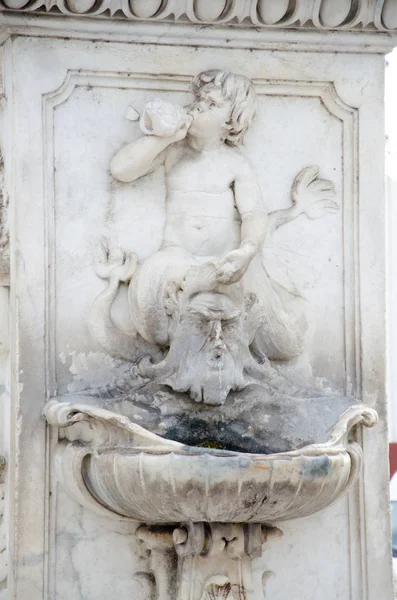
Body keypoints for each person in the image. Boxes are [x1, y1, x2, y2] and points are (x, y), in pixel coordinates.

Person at [110, 69, 307, 360]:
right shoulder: (173, 151)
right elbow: (121, 170)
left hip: (224, 260)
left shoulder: (235, 162)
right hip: (177, 256)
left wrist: (248, 250)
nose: (199, 106)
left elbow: (254, 213)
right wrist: (163, 137)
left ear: (231, 122)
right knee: (151, 299)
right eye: (199, 100)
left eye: (212, 104)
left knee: (276, 339)